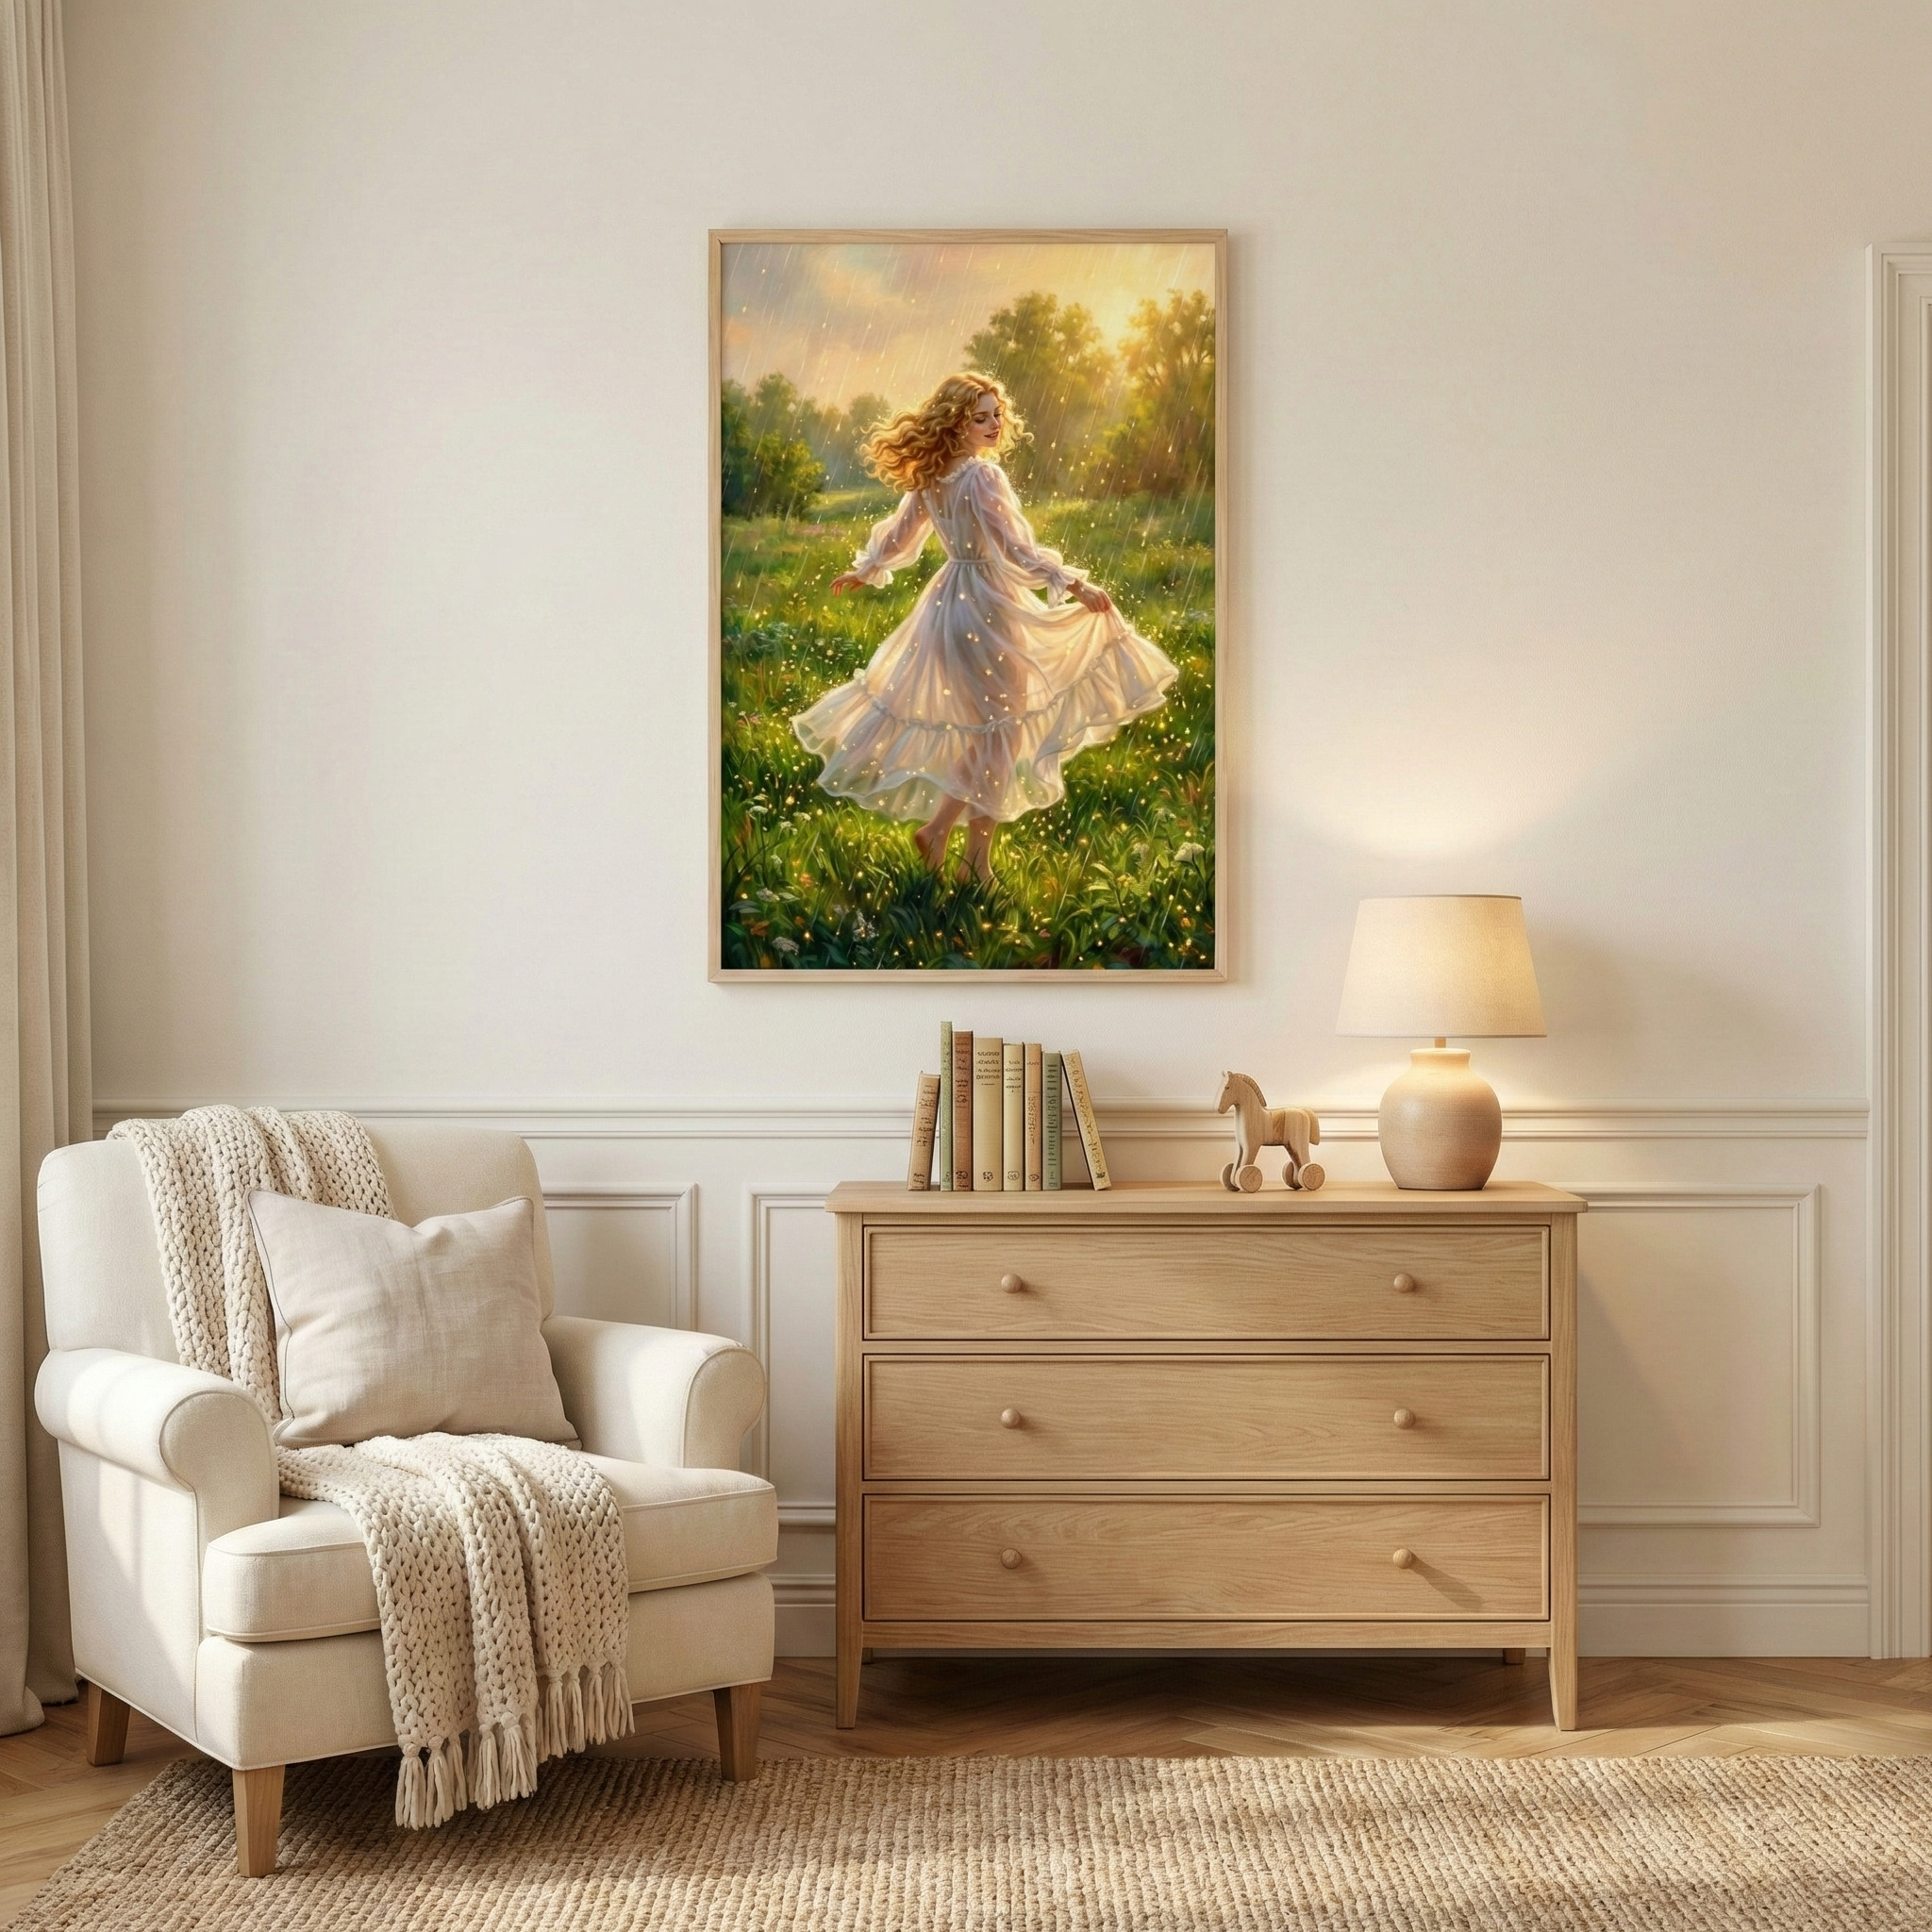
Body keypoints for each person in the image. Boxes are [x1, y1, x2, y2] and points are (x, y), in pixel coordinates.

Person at [791, 373, 1178, 885]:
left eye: (997, 414)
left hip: (949, 603)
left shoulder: (932, 476)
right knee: (1001, 731)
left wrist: (866, 570)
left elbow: (901, 536)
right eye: (981, 417)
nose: (994, 425)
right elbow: (1016, 548)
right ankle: (961, 850)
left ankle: (959, 849)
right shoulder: (981, 477)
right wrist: (1072, 583)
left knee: (992, 730)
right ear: (956, 423)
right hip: (988, 604)